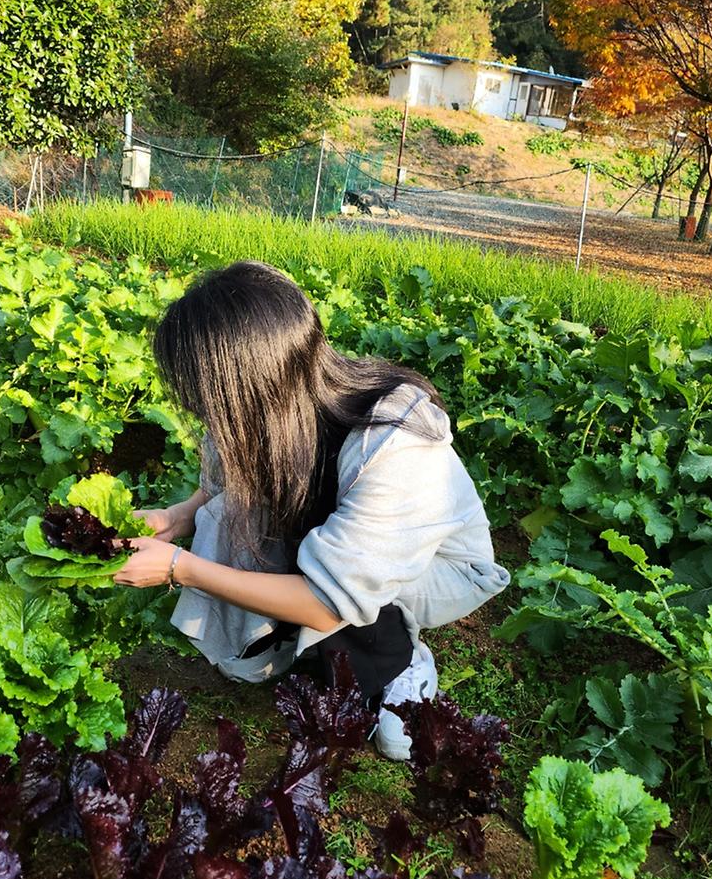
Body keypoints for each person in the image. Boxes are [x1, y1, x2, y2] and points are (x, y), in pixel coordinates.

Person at [113, 260, 509, 761]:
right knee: (237, 519)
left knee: (394, 733)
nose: (204, 413)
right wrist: (178, 516)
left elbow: (326, 598)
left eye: (211, 400)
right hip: (335, 546)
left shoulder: (393, 443)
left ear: (255, 387)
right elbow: (225, 488)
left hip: (435, 571)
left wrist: (181, 569)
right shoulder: (276, 413)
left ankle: (398, 665)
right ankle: (316, 647)